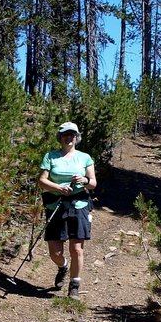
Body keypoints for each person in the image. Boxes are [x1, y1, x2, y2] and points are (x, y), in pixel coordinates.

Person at [38, 121, 97, 299]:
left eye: (72, 134)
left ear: (76, 137)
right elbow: (41, 181)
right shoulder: (50, 156)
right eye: (65, 134)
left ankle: (74, 285)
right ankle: (63, 266)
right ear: (60, 137)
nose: (69, 137)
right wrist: (58, 188)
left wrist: (85, 180)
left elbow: (93, 183)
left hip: (79, 204)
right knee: (55, 251)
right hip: (55, 204)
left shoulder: (85, 157)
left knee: (77, 248)